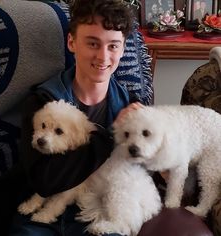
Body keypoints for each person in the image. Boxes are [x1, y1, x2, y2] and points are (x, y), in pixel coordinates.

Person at [9, 0, 144, 235]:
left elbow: (141, 173)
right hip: (41, 218)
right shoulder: (41, 102)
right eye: (93, 43)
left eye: (113, 46)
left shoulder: (132, 107)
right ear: (72, 42)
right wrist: (112, 134)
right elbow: (45, 180)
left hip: (99, 213)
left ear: (123, 49)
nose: (103, 56)